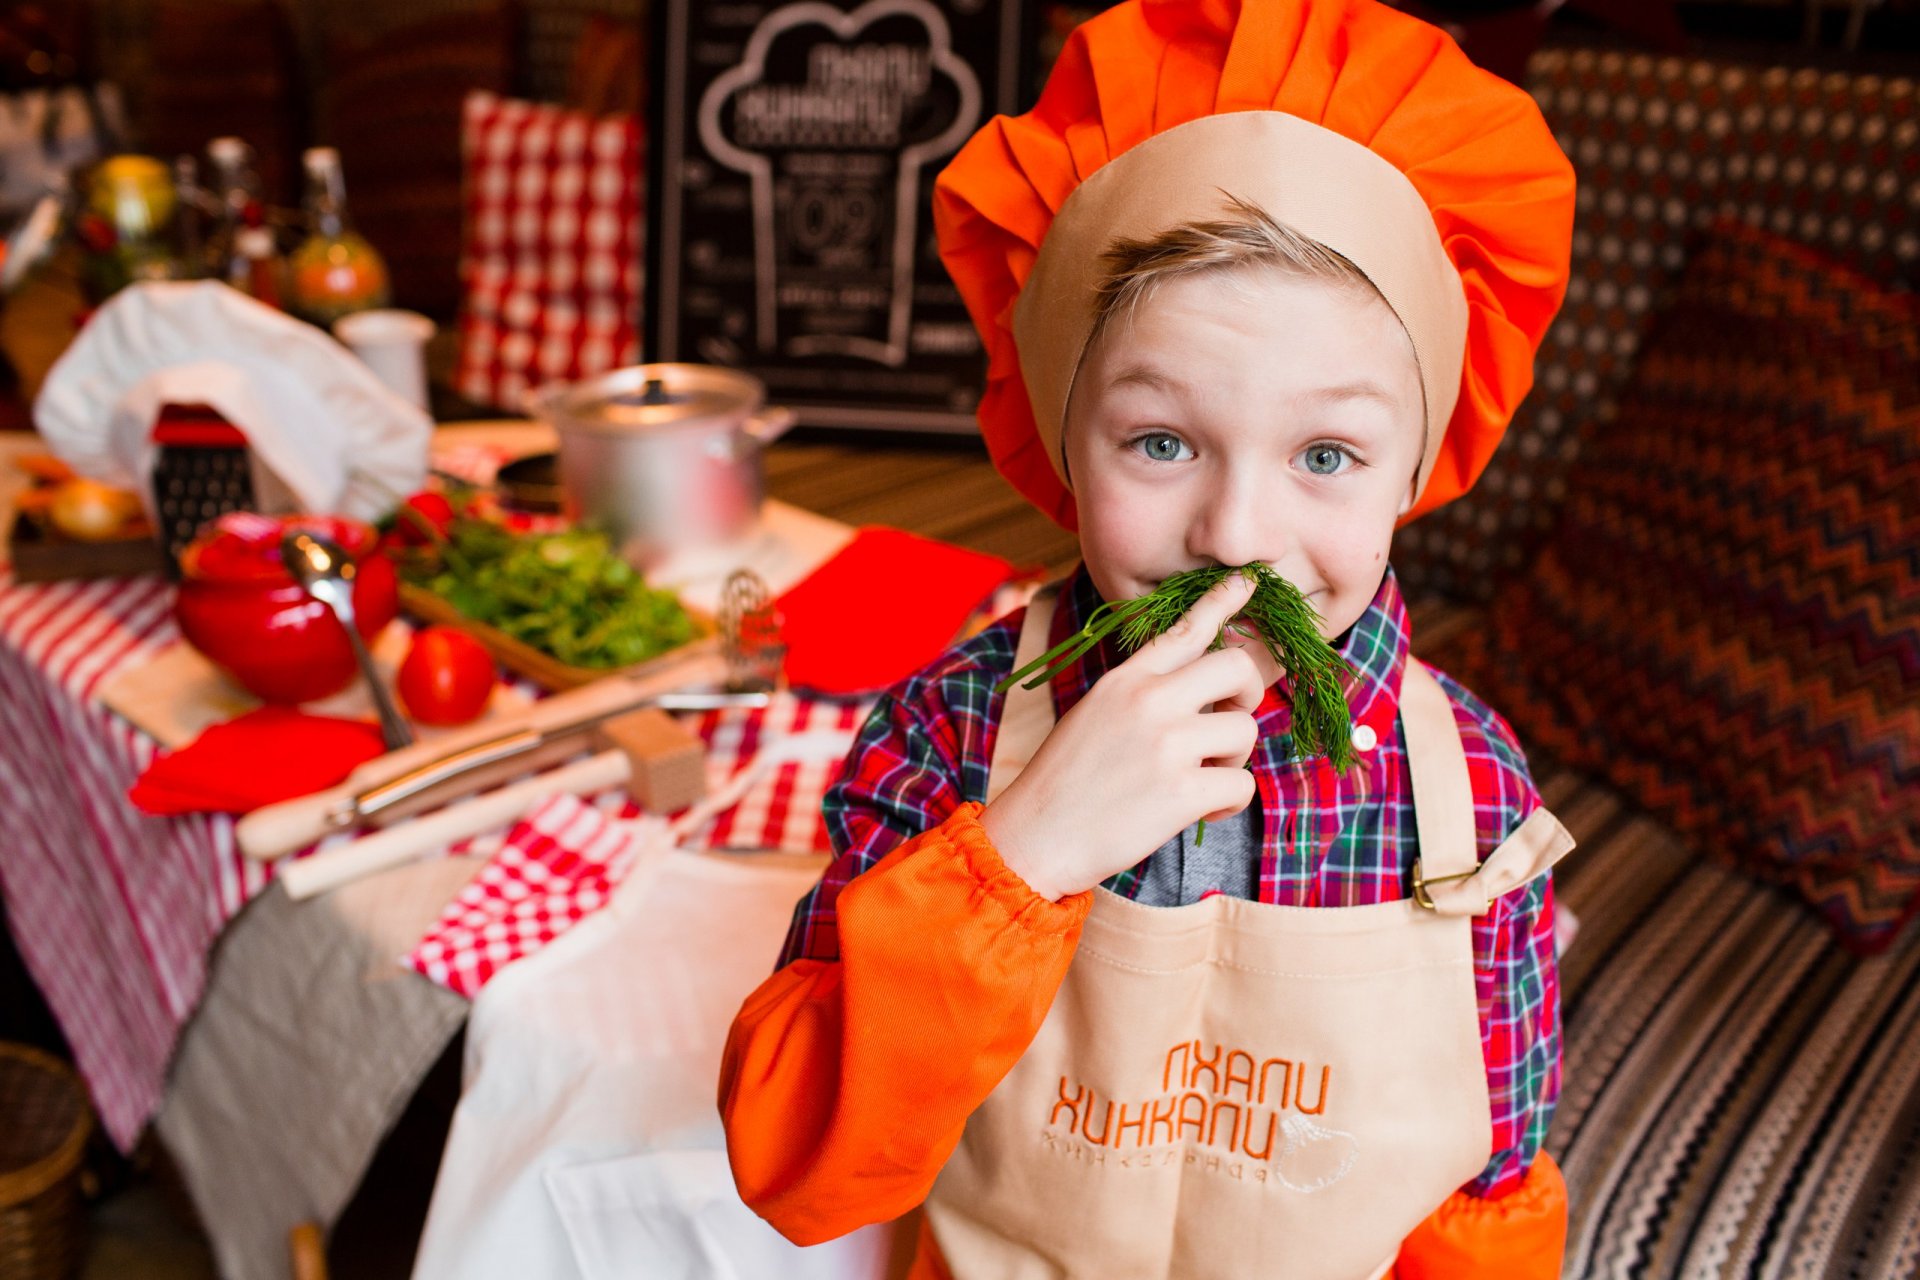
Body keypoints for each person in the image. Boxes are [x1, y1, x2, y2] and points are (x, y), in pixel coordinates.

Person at [719, 0, 1578, 1275]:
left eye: (1326, 454)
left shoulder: (1474, 800)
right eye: (1161, 441)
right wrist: (1023, 853)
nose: (1236, 533)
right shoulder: (952, 731)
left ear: (1416, 469)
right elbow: (798, 1166)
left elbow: (1488, 1189)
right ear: (1062, 439)